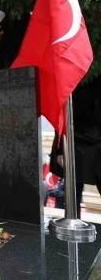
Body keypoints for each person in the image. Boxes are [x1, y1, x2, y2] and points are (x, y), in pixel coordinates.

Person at [49, 75, 101, 217]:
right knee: (73, 190)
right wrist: (61, 148)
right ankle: (72, 221)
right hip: (75, 137)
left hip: (85, 136)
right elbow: (61, 112)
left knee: (74, 189)